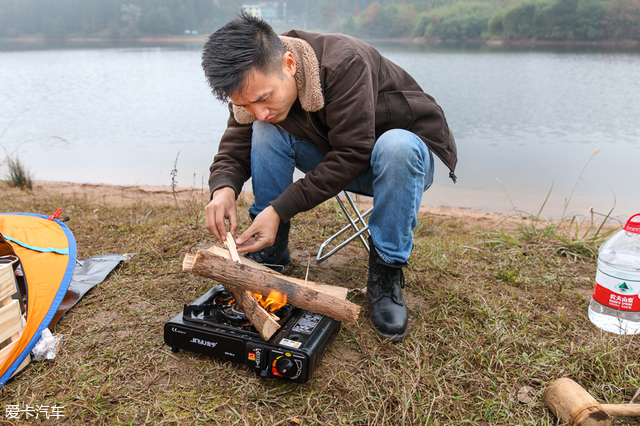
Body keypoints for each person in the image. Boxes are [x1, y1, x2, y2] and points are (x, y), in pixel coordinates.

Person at [202, 13, 457, 342]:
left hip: (399, 166)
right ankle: (270, 253)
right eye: (245, 104)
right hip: (336, 154)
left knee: (397, 146)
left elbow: (352, 153)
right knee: (264, 129)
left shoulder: (343, 63)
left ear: (289, 64)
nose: (258, 109)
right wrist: (222, 190)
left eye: (264, 98)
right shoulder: (250, 82)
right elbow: (237, 141)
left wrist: (280, 210)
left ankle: (385, 275)